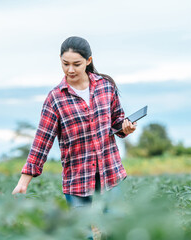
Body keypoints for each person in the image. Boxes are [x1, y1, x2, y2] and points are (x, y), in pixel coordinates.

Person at [12, 36, 136, 236]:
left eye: (76, 64)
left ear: (88, 61)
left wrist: (125, 128)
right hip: (77, 177)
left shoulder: (106, 86)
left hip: (110, 172)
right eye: (65, 64)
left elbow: (116, 120)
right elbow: (41, 141)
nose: (70, 69)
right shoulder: (55, 98)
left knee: (116, 230)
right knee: (81, 234)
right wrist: (23, 182)